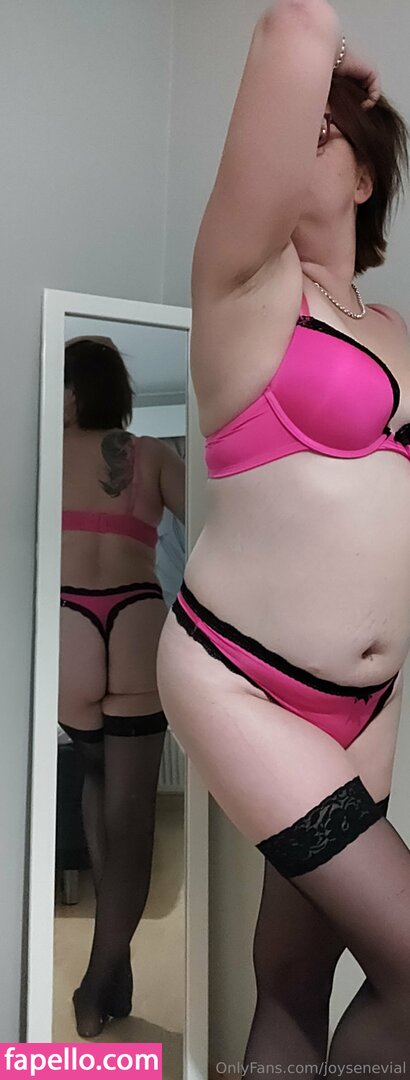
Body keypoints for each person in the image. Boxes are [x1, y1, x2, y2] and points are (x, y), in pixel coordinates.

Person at [156, 0, 410, 1067]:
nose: (291, 132)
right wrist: (343, 66)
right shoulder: (245, 287)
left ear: (363, 176)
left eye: (322, 131)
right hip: (239, 678)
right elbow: (294, 28)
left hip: (366, 705)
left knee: (292, 984)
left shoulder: (395, 332)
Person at [60, 334, 185, 1037]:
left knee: (95, 777)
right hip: (137, 616)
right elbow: (215, 522)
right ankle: (103, 974)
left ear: (74, 392)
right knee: (132, 818)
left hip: (69, 620)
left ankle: (105, 970)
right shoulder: (155, 455)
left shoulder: (49, 448)